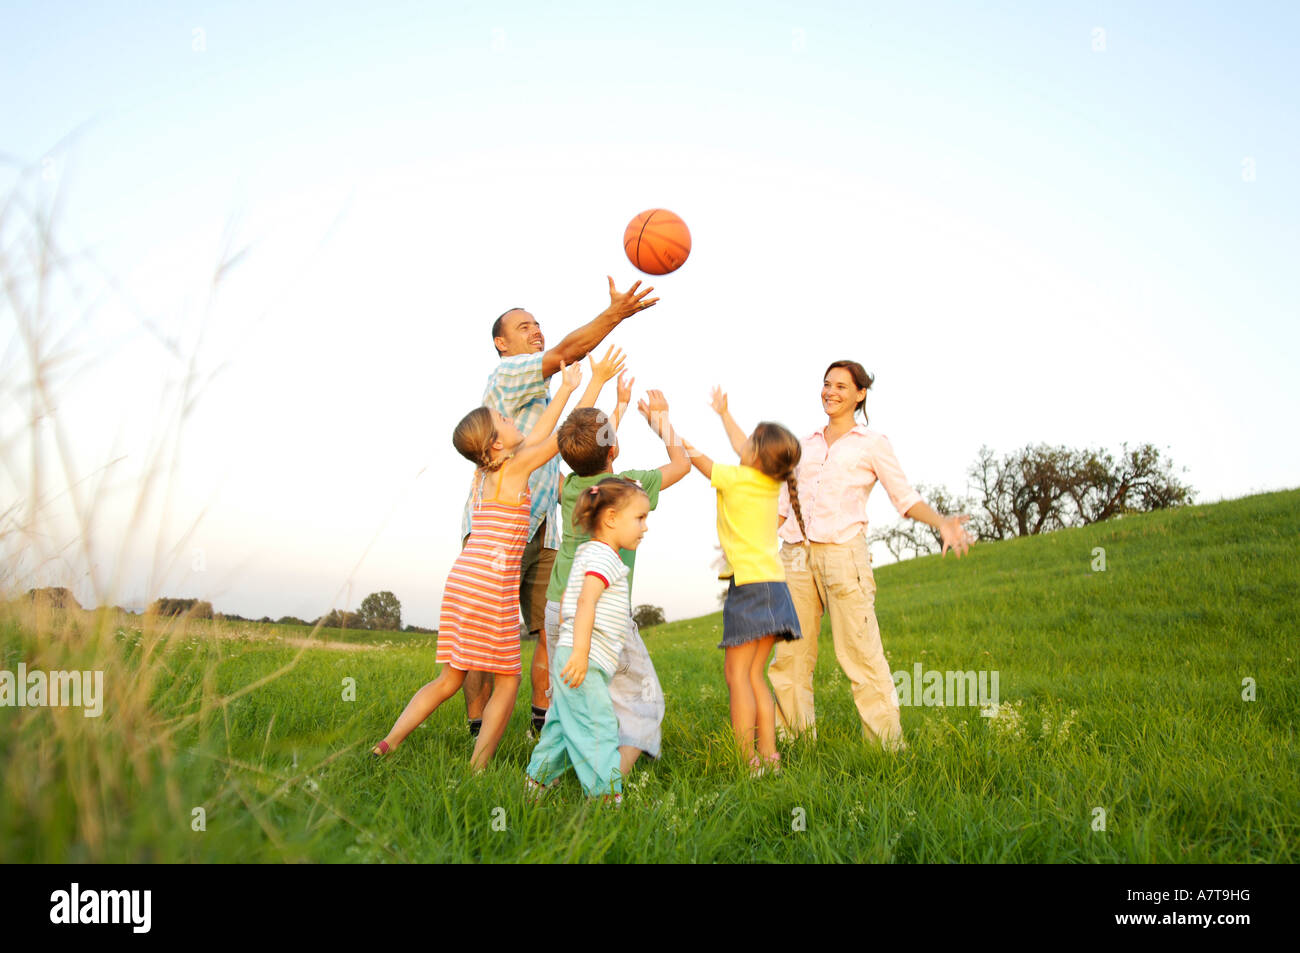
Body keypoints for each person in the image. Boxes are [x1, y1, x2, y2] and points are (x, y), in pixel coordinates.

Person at [370, 354, 620, 768]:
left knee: (449, 677)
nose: (511, 421)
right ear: (497, 444)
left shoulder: (488, 474)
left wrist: (571, 389)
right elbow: (562, 437)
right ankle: (478, 766)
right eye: (503, 421)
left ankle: (388, 743)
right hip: (490, 585)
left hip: (463, 578)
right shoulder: (516, 467)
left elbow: (542, 432)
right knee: (509, 680)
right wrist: (580, 388)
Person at [463, 278, 659, 739]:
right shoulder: (509, 374)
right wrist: (616, 313)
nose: (536, 331)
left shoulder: (544, 394)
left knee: (549, 630)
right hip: (497, 531)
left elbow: (569, 434)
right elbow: (569, 349)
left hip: (545, 529)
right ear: (501, 342)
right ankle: (477, 725)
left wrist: (596, 386)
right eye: (523, 326)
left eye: (537, 324)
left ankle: (542, 726)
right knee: (482, 640)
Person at [769, 359, 973, 750]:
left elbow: (904, 496)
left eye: (841, 386)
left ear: (860, 394)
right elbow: (783, 502)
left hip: (844, 556)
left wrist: (941, 521)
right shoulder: (805, 443)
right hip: (795, 555)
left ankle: (886, 748)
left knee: (860, 654)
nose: (830, 391)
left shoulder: (872, 444)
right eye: (827, 384)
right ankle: (795, 744)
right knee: (790, 657)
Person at [544, 386, 690, 777]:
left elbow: (591, 452)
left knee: (571, 702)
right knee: (642, 703)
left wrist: (618, 409)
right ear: (613, 448)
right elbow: (682, 463)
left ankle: (540, 782)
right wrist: (663, 424)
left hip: (558, 608)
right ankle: (610, 788)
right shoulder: (630, 487)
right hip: (603, 613)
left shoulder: (573, 488)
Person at [679, 388, 806, 776]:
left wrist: (659, 423)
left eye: (749, 441)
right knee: (755, 676)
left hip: (749, 588)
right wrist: (724, 414)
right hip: (775, 588)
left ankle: (745, 760)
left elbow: (691, 453)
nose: (743, 443)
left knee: (736, 676)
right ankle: (769, 757)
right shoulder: (772, 483)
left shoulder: (735, 480)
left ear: (755, 455)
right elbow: (743, 447)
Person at [526, 478, 651, 803]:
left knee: (560, 726)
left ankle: (534, 784)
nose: (645, 527)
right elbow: (585, 602)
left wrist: (571, 644)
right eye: (639, 518)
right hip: (586, 659)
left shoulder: (586, 552)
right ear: (610, 518)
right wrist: (581, 652)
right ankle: (606, 798)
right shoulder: (606, 558)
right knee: (599, 727)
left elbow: (570, 596)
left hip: (574, 654)